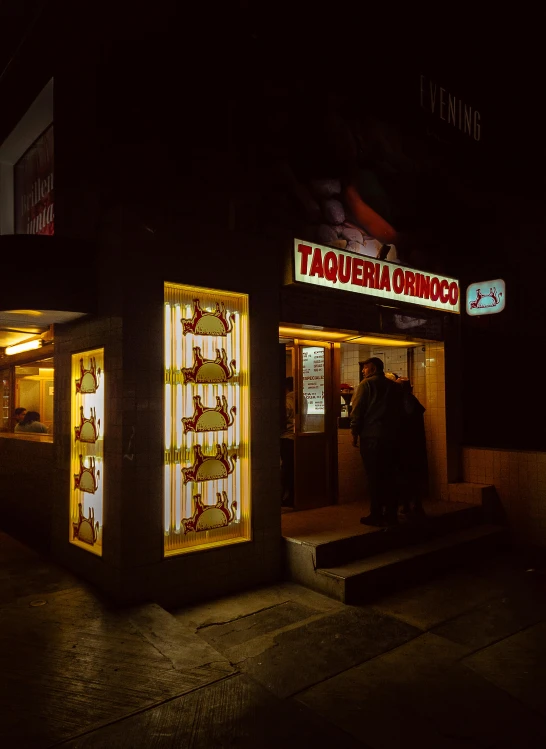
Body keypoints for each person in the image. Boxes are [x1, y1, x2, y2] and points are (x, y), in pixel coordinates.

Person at [350, 357, 403, 527]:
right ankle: (391, 513)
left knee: (374, 477)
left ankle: (376, 513)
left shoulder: (365, 385)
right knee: (390, 476)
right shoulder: (394, 386)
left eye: (365, 368)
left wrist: (354, 432)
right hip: (393, 437)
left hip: (372, 438)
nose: (362, 371)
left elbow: (357, 411)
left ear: (372, 369)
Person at [396, 378, 427, 518]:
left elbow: (404, 422)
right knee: (413, 476)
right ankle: (414, 505)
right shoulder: (412, 400)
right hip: (415, 445)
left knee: (407, 475)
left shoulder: (405, 402)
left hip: (407, 446)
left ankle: (410, 505)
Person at [280, 377, 296, 507]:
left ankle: (288, 497)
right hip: (298, 438)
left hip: (287, 438)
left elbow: (282, 420)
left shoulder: (286, 401)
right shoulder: (303, 399)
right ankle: (295, 495)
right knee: (294, 468)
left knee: (287, 469)